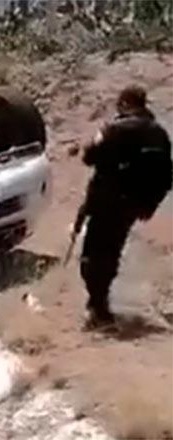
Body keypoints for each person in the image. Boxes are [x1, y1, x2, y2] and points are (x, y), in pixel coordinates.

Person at [75, 85, 172, 327]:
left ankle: (98, 307)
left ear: (125, 103)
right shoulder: (159, 134)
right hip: (133, 205)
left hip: (107, 201)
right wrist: (149, 204)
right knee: (111, 251)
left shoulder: (115, 129)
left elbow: (89, 157)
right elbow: (167, 173)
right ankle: (101, 303)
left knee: (92, 255)